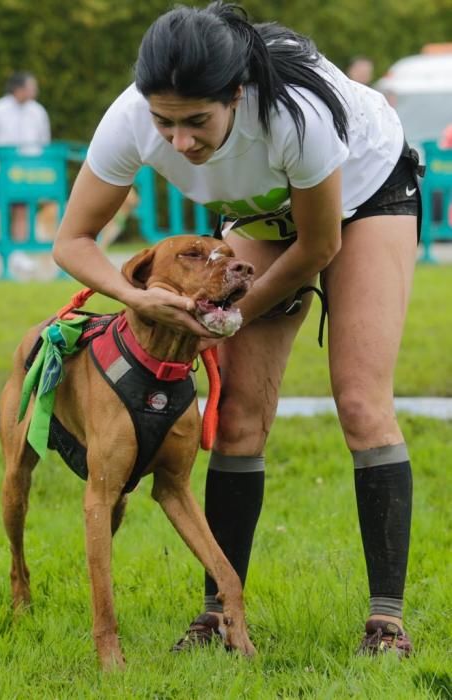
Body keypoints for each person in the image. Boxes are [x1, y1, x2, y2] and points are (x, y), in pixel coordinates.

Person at [53, 1, 423, 657]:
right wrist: (133, 299)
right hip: (258, 211)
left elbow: (316, 245)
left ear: (237, 94)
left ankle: (386, 624)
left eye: (197, 121)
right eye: (164, 123)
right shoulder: (132, 118)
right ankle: (217, 616)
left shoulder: (294, 117)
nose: (180, 142)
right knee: (242, 414)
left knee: (362, 399)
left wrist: (228, 317)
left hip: (365, 192)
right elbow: (74, 240)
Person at [0, 71, 51, 274]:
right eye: (31, 86)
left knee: (24, 211)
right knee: (1, 209)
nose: (34, 91)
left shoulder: (37, 111)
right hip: (4, 170)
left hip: (29, 170)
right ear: (19, 88)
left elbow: (44, 140)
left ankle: (18, 253)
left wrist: (40, 167)